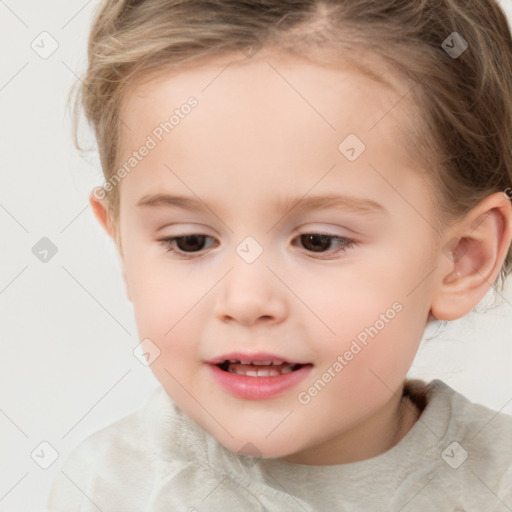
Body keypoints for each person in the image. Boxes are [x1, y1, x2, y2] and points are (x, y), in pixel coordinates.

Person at [48, 0, 512, 510]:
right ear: (122, 246)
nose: (246, 300)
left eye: (318, 241)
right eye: (190, 241)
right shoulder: (109, 491)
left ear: (462, 258)